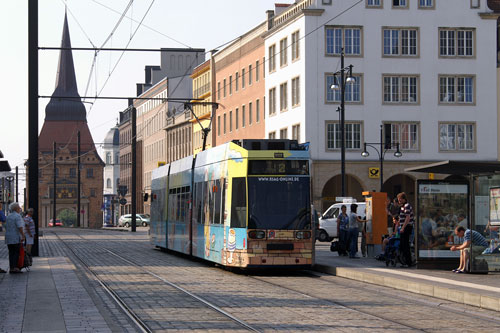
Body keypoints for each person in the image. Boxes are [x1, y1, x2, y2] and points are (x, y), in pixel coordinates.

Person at [4, 202, 25, 274]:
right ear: (16, 208)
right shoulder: (17, 216)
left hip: (8, 237)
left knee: (11, 252)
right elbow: (20, 226)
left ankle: (11, 267)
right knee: (16, 252)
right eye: (19, 207)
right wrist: (23, 235)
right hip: (15, 237)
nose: (20, 209)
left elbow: (5, 226)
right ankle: (15, 268)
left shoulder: (8, 216)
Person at [398, 192, 414, 267]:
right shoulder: (402, 206)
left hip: (406, 227)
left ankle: (408, 262)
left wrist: (403, 228)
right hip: (403, 227)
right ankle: (404, 261)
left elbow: (407, 218)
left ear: (404, 199)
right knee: (402, 244)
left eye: (400, 199)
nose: (399, 201)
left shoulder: (407, 206)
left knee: (405, 245)